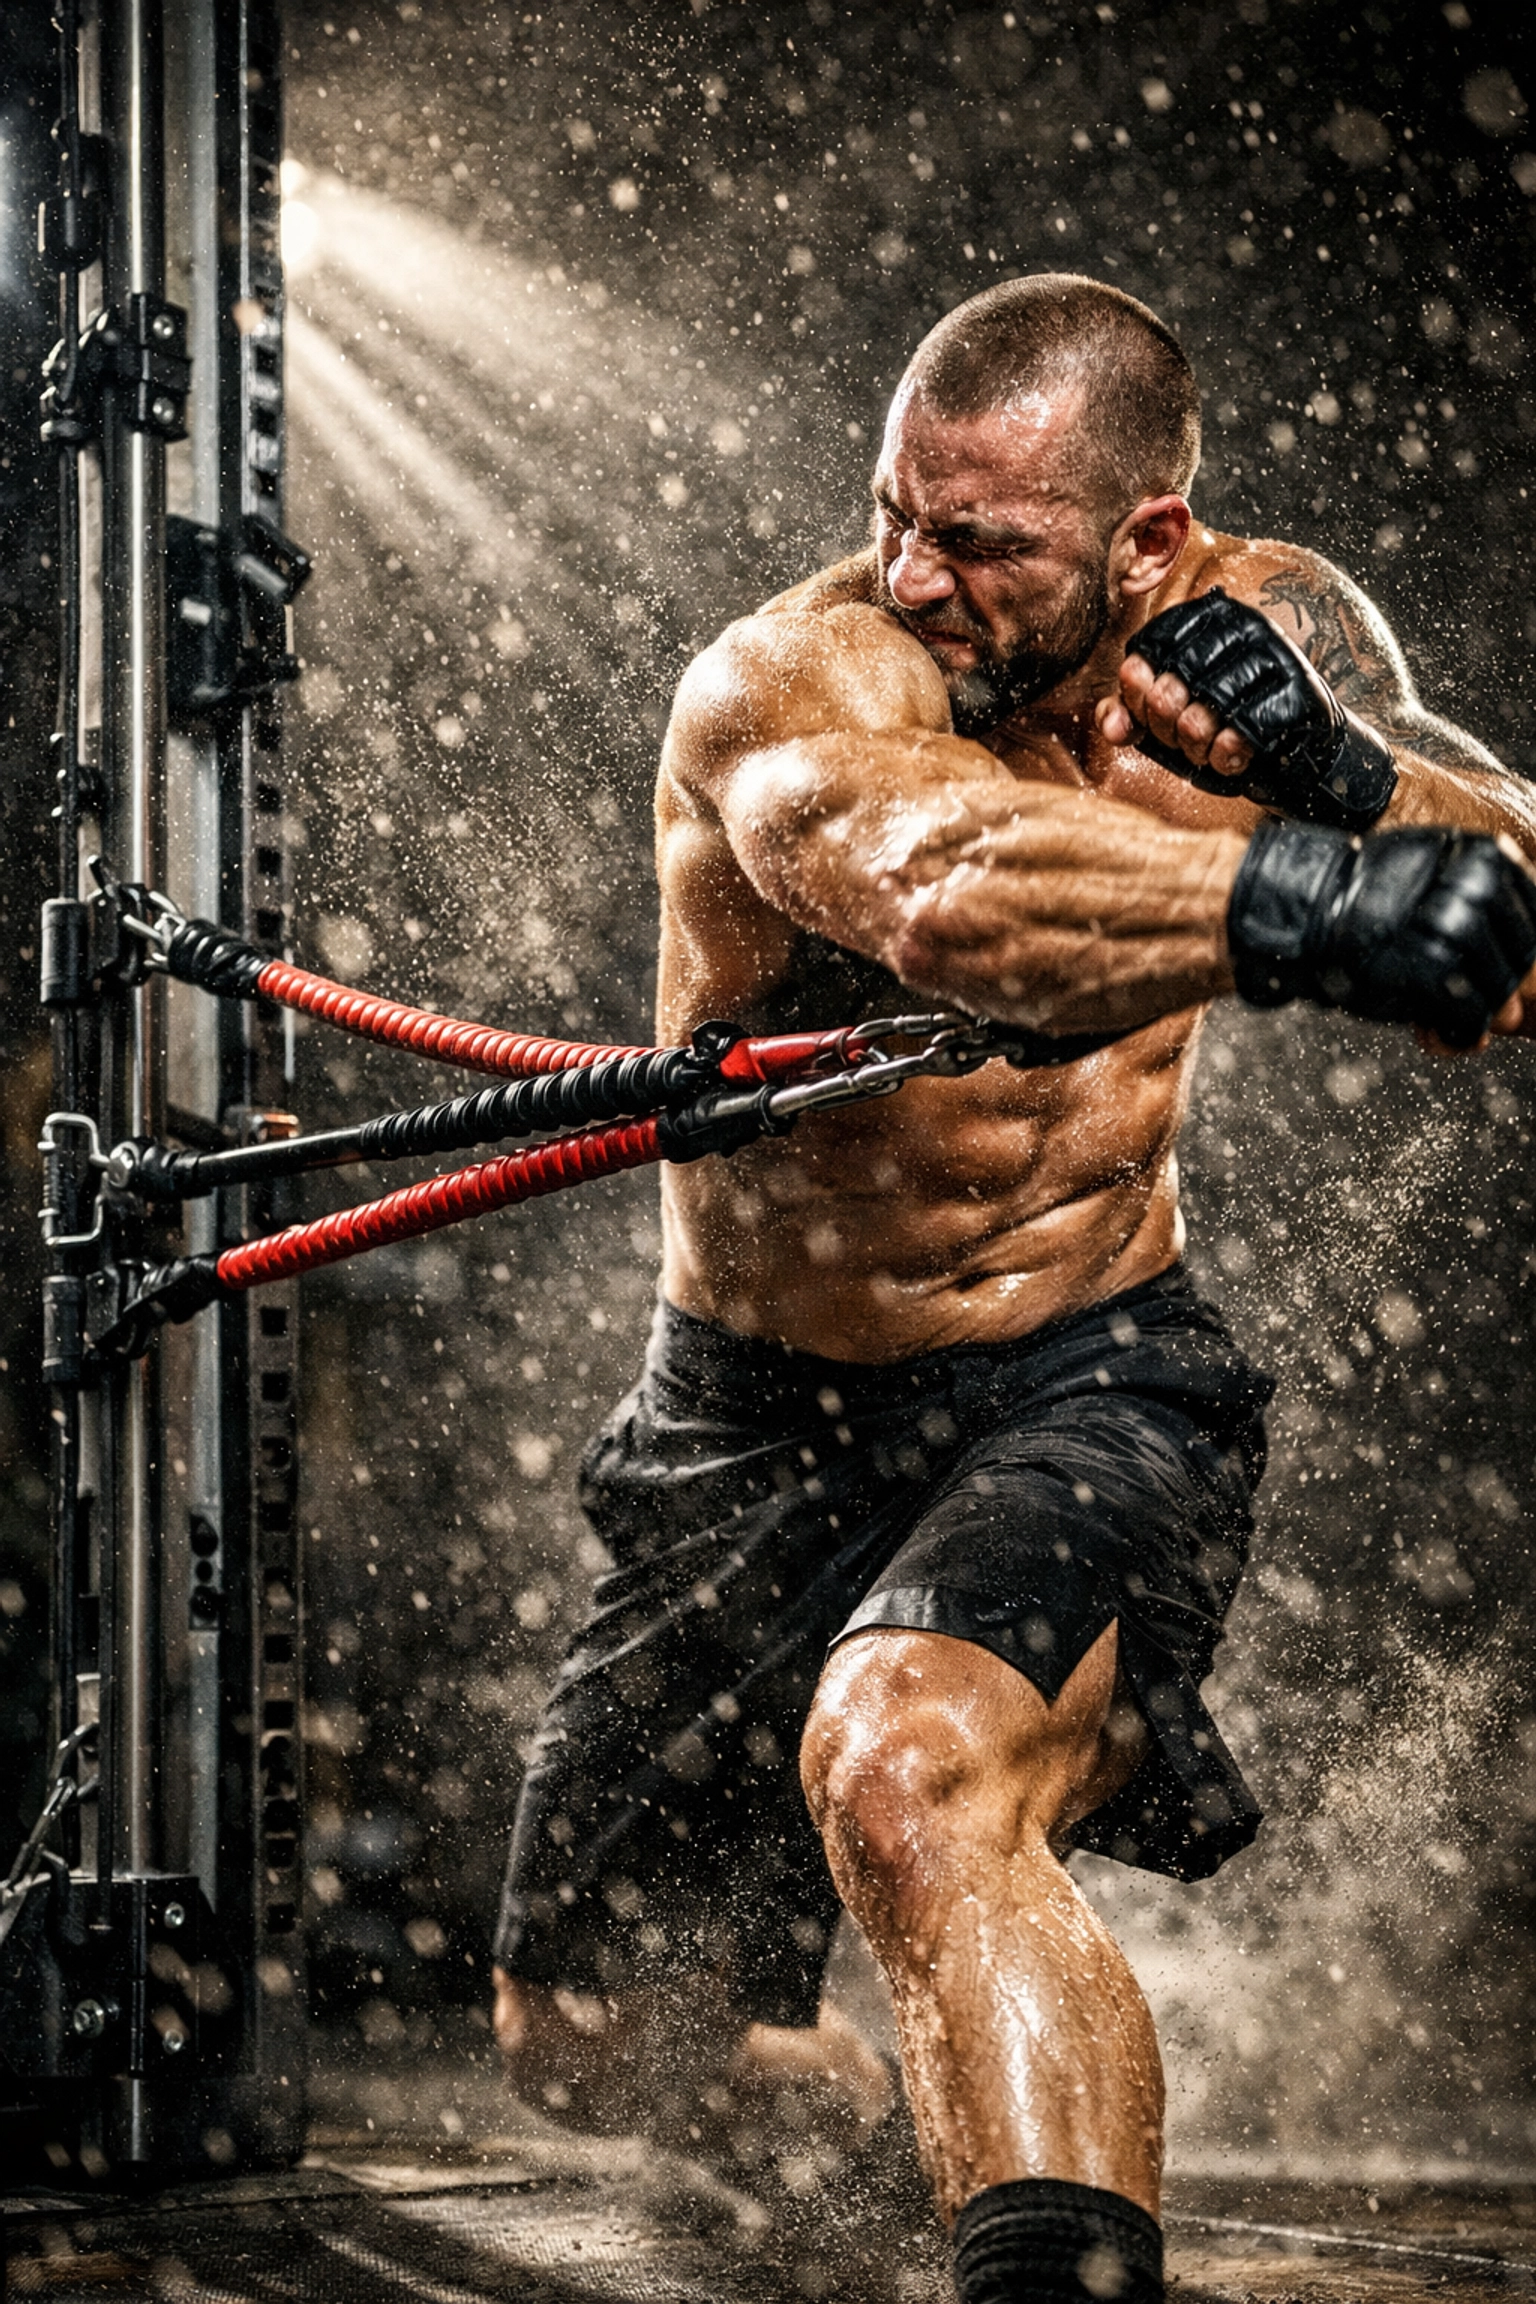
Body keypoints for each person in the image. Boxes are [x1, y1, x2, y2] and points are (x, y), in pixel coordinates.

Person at [489, 275, 1536, 2303]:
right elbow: (951, 899)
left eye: (980, 538)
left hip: (1088, 1375)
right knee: (581, 2043)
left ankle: (1045, 2252)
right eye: (897, 513)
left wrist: (1350, 786)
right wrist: (1306, 897)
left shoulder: (1272, 634)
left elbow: (1512, 911)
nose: (917, 570)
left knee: (907, 1773)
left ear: (1149, 538)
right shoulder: (796, 681)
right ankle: (941, 2141)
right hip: (749, 1409)